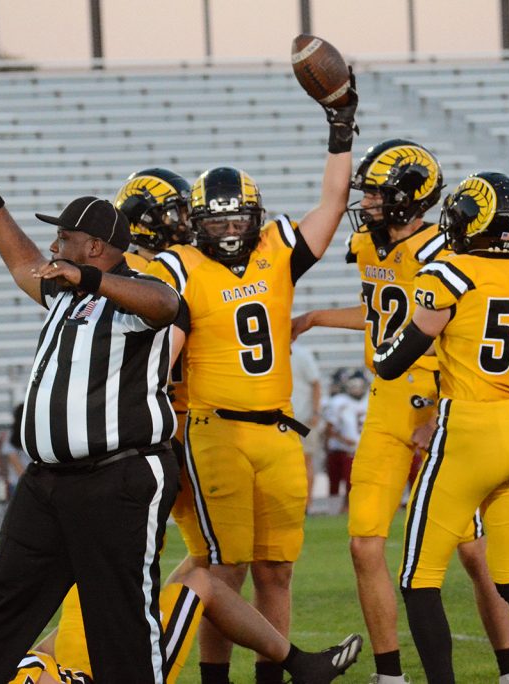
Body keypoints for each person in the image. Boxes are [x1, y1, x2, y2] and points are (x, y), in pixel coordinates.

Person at [142, 71, 358, 684]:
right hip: (216, 432)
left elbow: (332, 204)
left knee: (277, 570)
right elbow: (162, 344)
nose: (232, 230)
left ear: (255, 218)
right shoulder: (180, 266)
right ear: (196, 224)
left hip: (280, 432)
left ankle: (273, 676)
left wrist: (340, 129)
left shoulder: (277, 248)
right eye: (219, 221)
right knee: (222, 566)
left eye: (240, 219)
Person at [293, 141, 509, 684]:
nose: (369, 203)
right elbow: (383, 314)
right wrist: (315, 318)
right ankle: (390, 674)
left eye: (378, 193)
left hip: (435, 405)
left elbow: (458, 333)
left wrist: (441, 413)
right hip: (385, 404)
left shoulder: (443, 251)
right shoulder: (371, 245)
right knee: (363, 543)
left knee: (473, 552)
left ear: (411, 199)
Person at [0, 136, 186, 684]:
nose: (54, 244)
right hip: (47, 484)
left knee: (121, 624)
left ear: (97, 248)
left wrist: (89, 280)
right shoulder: (64, 294)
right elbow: (21, 258)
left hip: (119, 477)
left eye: (66, 236)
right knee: (2, 610)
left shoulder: (134, 292)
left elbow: (167, 305)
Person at [372, 171, 509, 684]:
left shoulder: (450, 272)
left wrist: (380, 351)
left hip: (471, 429)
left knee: (419, 579)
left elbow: (394, 362)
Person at [0, 571, 363, 684]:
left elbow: (40, 654)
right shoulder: (23, 672)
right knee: (203, 582)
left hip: (77, 661)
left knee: (89, 590)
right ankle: (302, 666)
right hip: (123, 672)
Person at [323, 369, 368, 511]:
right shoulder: (339, 402)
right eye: (353, 386)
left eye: (359, 386)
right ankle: (334, 511)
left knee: (354, 483)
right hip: (342, 448)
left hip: (361, 449)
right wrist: (343, 440)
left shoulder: (370, 400)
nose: (356, 390)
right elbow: (329, 428)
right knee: (336, 482)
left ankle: (351, 508)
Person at [290, 340, 324, 508]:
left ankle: (307, 504)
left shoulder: (301, 353)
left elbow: (316, 383)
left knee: (305, 461)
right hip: (282, 418)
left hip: (302, 418)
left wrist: (316, 412)